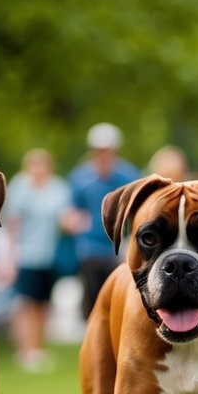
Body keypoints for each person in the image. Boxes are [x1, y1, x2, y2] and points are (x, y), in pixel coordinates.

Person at [2, 148, 81, 371]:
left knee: (44, 305)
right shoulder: (20, 187)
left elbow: (63, 219)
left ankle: (36, 349)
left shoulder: (58, 188)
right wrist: (8, 258)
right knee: (26, 304)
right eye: (34, 165)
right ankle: (25, 350)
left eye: (42, 165)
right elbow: (12, 224)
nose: (38, 170)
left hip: (50, 255)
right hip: (25, 255)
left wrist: (74, 223)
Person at [68, 123, 140, 321]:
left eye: (107, 150)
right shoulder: (80, 177)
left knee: (120, 293)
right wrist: (73, 221)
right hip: (90, 248)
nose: (103, 154)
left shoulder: (129, 175)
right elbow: (72, 211)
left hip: (120, 248)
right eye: (99, 150)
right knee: (92, 297)